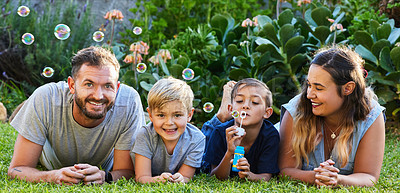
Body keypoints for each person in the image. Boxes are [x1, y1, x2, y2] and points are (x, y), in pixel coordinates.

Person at [8, 46, 145, 185]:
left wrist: (105, 176)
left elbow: (126, 171)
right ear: (72, 85)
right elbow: (17, 169)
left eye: (108, 86)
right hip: (51, 160)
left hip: (105, 166)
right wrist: (52, 176)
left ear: (117, 87)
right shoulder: (45, 97)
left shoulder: (129, 101)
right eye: (89, 84)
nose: (98, 96)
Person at [278, 46, 385, 187]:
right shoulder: (297, 109)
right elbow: (285, 170)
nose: (309, 94)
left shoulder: (371, 115)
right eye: (309, 85)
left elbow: (368, 176)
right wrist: (316, 176)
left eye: (319, 88)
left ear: (348, 88)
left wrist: (337, 179)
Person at [202, 78, 280, 181]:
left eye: (255, 102)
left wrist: (249, 175)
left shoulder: (270, 135)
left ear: (267, 112)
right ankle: (222, 113)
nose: (246, 106)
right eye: (239, 101)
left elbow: (265, 177)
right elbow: (215, 176)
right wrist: (229, 152)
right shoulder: (220, 132)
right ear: (231, 109)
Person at [131, 77, 205, 183]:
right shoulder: (145, 135)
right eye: (161, 115)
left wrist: (181, 178)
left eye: (177, 115)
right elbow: (141, 177)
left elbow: (186, 176)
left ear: (189, 115)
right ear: (151, 115)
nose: (169, 122)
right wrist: (158, 180)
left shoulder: (197, 139)